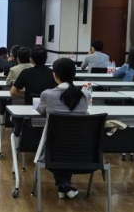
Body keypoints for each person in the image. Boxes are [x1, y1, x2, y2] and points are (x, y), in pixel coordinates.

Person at [36, 58, 91, 199]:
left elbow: (41, 111)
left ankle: (64, 185)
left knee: (58, 140)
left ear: (55, 75)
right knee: (68, 138)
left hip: (53, 151)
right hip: (83, 149)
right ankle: (64, 186)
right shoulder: (86, 95)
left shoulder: (47, 94)